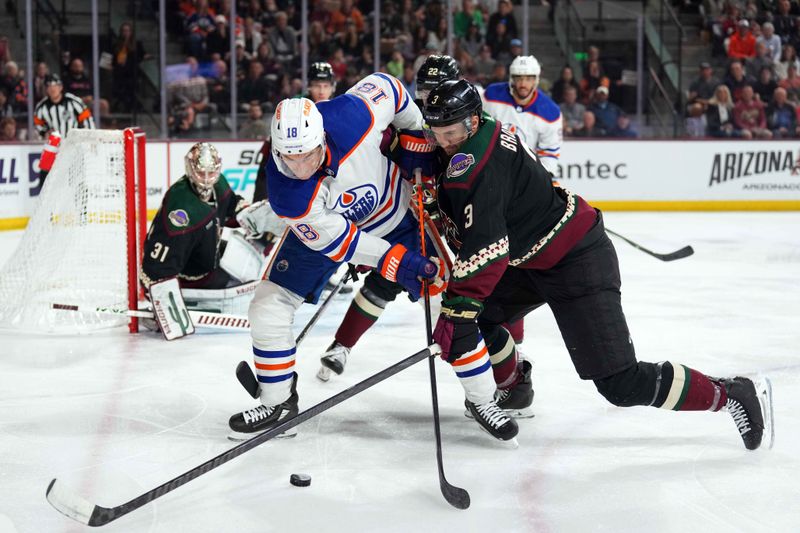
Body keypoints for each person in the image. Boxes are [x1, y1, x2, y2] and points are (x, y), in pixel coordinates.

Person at [423, 79, 773, 452]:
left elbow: (487, 249)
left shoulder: (477, 167)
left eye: (453, 133)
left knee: (621, 383)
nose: (446, 142)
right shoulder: (485, 131)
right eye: (438, 134)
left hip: (577, 262)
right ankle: (514, 388)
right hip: (531, 258)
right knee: (481, 319)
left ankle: (731, 393)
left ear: (474, 122)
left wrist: (458, 309)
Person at [227, 72, 521, 443]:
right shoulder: (289, 194)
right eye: (290, 157)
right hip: (330, 234)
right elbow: (345, 244)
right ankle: (277, 400)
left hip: (396, 213)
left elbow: (390, 87)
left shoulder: (352, 114)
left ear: (322, 136)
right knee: (268, 305)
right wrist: (396, 261)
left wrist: (418, 135)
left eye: (308, 154)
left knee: (449, 301)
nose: (300, 166)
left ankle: (482, 399)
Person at [140, 143, 252, 292]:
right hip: (190, 281)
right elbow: (158, 269)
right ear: (190, 169)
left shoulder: (219, 184)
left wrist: (251, 214)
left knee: (250, 266)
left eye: (211, 173)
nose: (206, 180)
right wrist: (161, 294)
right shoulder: (181, 207)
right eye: (200, 173)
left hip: (208, 261)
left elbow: (230, 208)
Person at [482, 55, 563, 176]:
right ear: (511, 79)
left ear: (536, 80)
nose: (523, 84)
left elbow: (549, 152)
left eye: (528, 79)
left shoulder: (550, 112)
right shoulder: (492, 95)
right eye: (519, 78)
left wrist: (543, 178)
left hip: (523, 172)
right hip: (489, 166)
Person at [33, 74, 95, 138]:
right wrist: (44, 132)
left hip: (73, 142)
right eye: (49, 86)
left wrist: (89, 137)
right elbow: (37, 125)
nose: (52, 89)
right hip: (54, 145)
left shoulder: (73, 101)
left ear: (61, 87)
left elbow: (87, 119)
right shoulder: (41, 106)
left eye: (55, 86)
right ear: (46, 89)